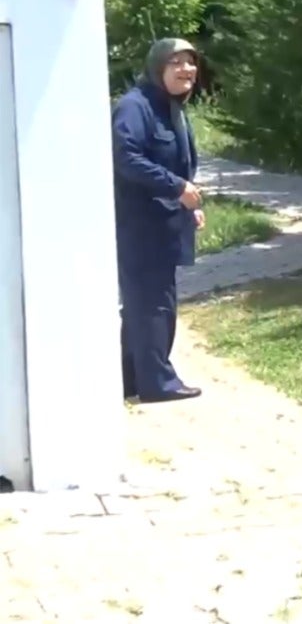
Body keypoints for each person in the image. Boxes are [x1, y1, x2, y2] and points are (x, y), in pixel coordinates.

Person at [111, 37, 206, 404]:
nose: (187, 69)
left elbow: (175, 161)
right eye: (176, 63)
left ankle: (131, 379)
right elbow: (127, 157)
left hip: (164, 221)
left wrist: (187, 202)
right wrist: (176, 187)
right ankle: (158, 384)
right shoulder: (135, 107)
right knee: (154, 304)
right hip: (140, 226)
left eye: (190, 62)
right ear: (157, 68)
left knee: (145, 303)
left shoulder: (170, 107)